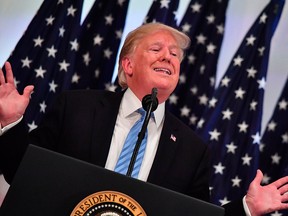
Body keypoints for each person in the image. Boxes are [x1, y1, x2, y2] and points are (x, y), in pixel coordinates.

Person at [0, 23, 288, 216]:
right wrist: (11, 122)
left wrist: (246, 207)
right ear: (128, 64)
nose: (168, 57)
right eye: (156, 50)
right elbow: (22, 174)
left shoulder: (191, 150)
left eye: (174, 54)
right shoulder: (76, 107)